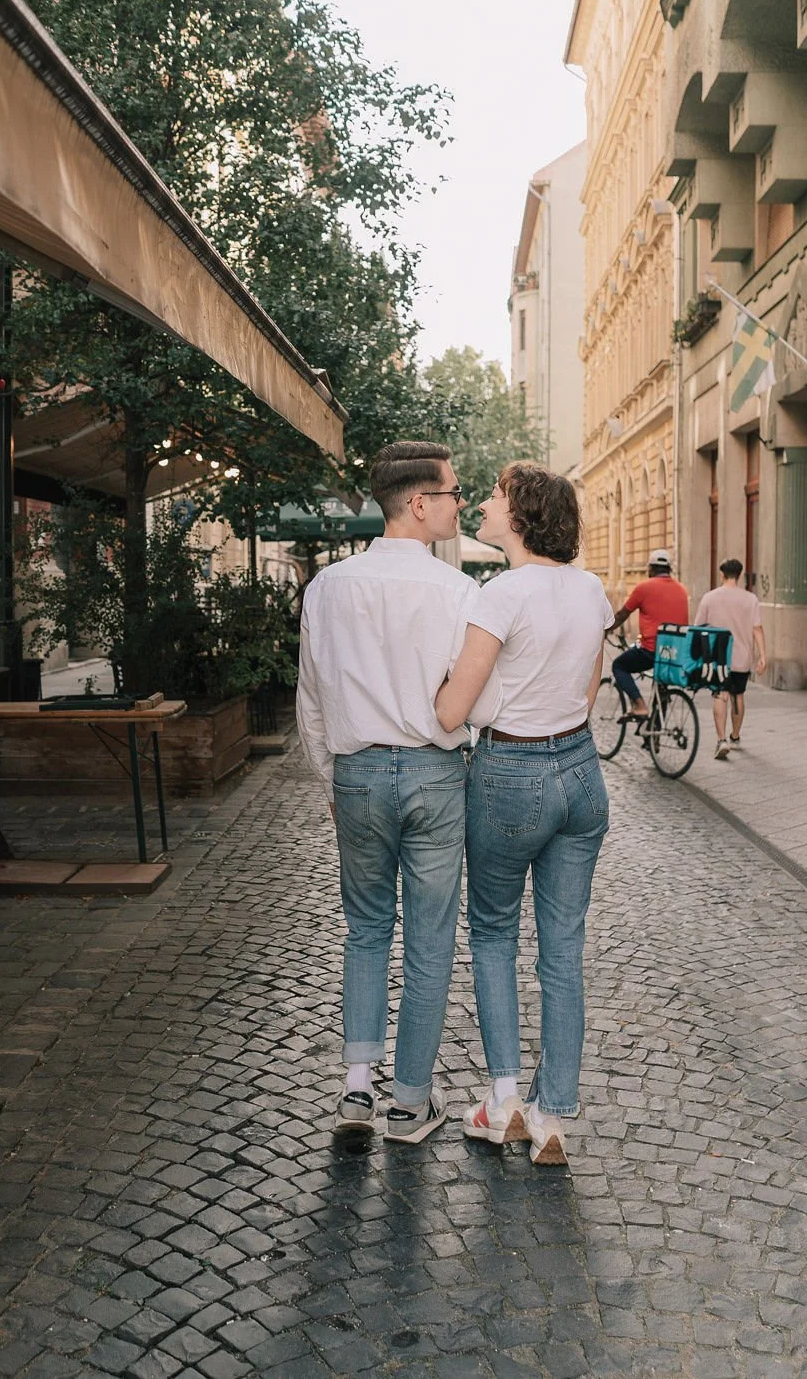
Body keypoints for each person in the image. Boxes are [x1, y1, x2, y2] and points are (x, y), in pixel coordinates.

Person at [296, 441, 499, 1142]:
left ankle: (356, 1091)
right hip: (434, 774)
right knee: (431, 939)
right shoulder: (459, 593)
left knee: (365, 928)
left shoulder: (327, 588)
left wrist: (334, 777)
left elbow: (311, 700)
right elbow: (474, 701)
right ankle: (410, 1102)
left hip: (357, 773)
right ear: (419, 504)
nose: (459, 504)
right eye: (451, 493)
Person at [435, 463, 611, 1167]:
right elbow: (590, 686)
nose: (482, 501)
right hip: (581, 770)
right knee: (563, 950)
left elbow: (453, 710)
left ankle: (504, 1101)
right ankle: (554, 1115)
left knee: (494, 937)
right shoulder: (592, 590)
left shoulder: (499, 595)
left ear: (523, 514)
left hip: (510, 772)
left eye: (496, 495)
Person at [694, 558, 767, 759]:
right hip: (742, 658)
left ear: (722, 574)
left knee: (720, 694)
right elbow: (757, 629)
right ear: (740, 575)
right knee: (738, 696)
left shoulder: (710, 598)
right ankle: (735, 736)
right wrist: (763, 656)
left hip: (718, 658)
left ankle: (721, 739)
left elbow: (698, 627)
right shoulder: (750, 599)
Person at [608, 549, 690, 718]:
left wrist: (606, 630)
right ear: (669, 569)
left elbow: (623, 614)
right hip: (674, 653)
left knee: (619, 666)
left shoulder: (644, 588)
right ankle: (654, 737)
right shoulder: (682, 589)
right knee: (661, 687)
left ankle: (639, 705)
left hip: (651, 650)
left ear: (651, 569)